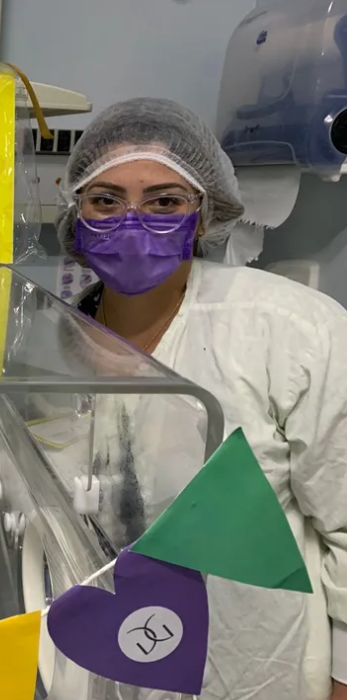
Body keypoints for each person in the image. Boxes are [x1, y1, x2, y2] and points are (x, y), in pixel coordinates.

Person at [56, 97, 347, 700]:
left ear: (204, 213)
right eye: (106, 200)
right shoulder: (50, 341)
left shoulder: (292, 330)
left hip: (252, 664)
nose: (132, 223)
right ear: (75, 212)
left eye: (164, 201)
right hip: (96, 659)